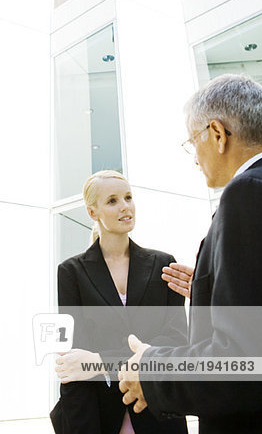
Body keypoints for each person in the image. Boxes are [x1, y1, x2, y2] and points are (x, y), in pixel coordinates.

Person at [119, 74, 262, 434]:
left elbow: (244, 362)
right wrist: (208, 290)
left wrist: (152, 369)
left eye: (192, 140)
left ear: (217, 134)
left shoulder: (245, 193)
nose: (194, 156)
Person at [50, 170, 188, 434]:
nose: (125, 207)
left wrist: (99, 361)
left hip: (159, 416)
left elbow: (175, 344)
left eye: (128, 197)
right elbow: (73, 365)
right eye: (112, 201)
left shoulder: (164, 265)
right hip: (100, 419)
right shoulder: (71, 272)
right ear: (93, 212)